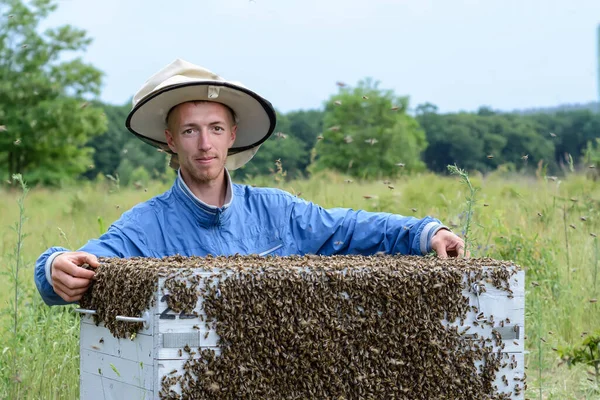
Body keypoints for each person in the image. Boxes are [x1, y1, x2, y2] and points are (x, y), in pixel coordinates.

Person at [34, 59, 466, 306]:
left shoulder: (277, 211)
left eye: (216, 129)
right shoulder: (146, 226)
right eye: (190, 131)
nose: (205, 143)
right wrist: (53, 267)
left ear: (232, 135)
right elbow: (83, 261)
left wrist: (425, 232)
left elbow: (347, 228)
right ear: (170, 140)